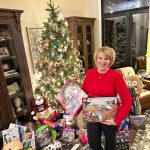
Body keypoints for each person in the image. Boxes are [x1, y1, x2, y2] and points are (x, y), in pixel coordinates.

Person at [82, 47, 132, 150]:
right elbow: (84, 92)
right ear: (96, 59)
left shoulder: (116, 76)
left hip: (110, 114)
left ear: (111, 61)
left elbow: (127, 100)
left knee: (110, 145)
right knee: (93, 144)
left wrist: (117, 120)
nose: (103, 61)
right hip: (93, 111)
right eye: (100, 58)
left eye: (106, 58)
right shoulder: (90, 73)